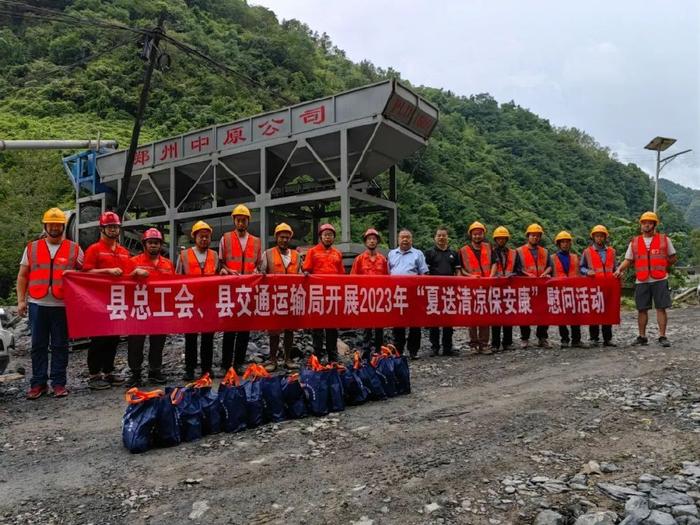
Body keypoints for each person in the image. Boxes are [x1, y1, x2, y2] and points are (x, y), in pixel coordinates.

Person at [16, 208, 83, 399]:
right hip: (37, 304)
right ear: (45, 226)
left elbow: (85, 275)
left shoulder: (74, 249)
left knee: (60, 345)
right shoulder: (32, 248)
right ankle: (38, 384)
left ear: (63, 226)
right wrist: (21, 300)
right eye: (51, 224)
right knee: (38, 345)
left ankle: (59, 384)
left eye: (58, 224)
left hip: (62, 306)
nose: (54, 227)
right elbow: (22, 276)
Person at [82, 211, 148, 390]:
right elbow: (85, 273)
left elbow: (128, 274)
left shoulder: (123, 252)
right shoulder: (94, 249)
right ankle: (94, 374)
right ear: (102, 229)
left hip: (117, 301)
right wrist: (107, 272)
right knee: (99, 339)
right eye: (110, 227)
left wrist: (137, 273)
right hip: (98, 301)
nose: (113, 230)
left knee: (113, 337)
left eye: (115, 227)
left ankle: (108, 372)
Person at [615, 211, 677, 347]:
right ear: (641, 225)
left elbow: (673, 257)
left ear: (654, 225)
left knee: (661, 308)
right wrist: (619, 269)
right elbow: (628, 259)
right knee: (642, 309)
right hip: (642, 280)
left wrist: (662, 266)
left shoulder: (664, 239)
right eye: (644, 223)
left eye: (650, 223)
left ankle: (662, 336)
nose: (646, 225)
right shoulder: (635, 242)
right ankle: (642, 336)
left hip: (660, 279)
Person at [126, 228, 174, 387]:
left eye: (156, 243)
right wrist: (133, 274)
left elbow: (175, 286)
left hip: (159, 309)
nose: (153, 245)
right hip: (139, 309)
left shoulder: (168, 264)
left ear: (160, 245)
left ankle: (155, 371)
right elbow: (123, 282)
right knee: (135, 342)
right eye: (150, 242)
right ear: (144, 244)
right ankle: (135, 373)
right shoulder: (134, 262)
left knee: (158, 342)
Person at [219, 204, 262, 374]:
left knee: (244, 329)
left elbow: (258, 264)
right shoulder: (226, 238)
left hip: (248, 289)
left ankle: (238, 363)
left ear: (248, 222)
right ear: (234, 221)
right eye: (238, 220)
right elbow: (221, 262)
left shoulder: (256, 241)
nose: (241, 223)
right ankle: (225, 364)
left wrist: (256, 273)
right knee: (229, 328)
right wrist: (228, 271)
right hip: (231, 288)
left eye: (244, 220)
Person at [177, 221, 220, 381]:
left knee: (208, 337)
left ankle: (206, 369)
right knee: (191, 337)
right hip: (190, 301)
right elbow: (177, 279)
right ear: (194, 237)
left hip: (208, 302)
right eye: (201, 236)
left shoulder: (214, 256)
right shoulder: (184, 255)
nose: (204, 239)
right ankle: (189, 369)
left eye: (207, 237)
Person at [259, 222, 301, 371]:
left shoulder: (296, 255)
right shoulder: (268, 254)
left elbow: (301, 275)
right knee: (274, 331)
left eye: (287, 237)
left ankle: (288, 358)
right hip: (274, 298)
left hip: (292, 298)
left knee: (290, 329)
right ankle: (272, 360)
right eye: (281, 237)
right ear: (276, 237)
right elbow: (260, 273)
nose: (284, 240)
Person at [302, 223, 345, 363]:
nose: (328, 237)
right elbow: (306, 270)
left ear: (333, 238)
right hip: (317, 295)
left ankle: (333, 355)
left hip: (333, 295)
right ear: (321, 236)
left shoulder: (337, 253)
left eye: (330, 235)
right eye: (325, 235)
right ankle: (317, 355)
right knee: (317, 328)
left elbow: (341, 274)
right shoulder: (312, 252)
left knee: (332, 327)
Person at [388, 229, 429, 359]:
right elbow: (388, 273)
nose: (405, 240)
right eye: (402, 237)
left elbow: (424, 273)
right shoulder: (391, 254)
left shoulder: (418, 254)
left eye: (408, 237)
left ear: (412, 239)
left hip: (414, 293)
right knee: (398, 323)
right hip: (397, 293)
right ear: (398, 239)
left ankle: (413, 351)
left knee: (415, 323)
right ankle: (398, 350)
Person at [351, 228, 390, 359]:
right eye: (369, 239)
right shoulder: (359, 259)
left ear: (377, 242)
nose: (372, 241)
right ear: (365, 242)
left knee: (379, 325)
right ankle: (366, 350)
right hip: (365, 297)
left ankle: (379, 349)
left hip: (379, 297)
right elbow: (353, 278)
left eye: (374, 239)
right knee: (366, 325)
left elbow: (387, 278)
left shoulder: (383, 260)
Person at [424, 226, 460, 356]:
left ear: (447, 237)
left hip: (449, 292)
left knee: (448, 320)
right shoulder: (429, 253)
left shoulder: (453, 253)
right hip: (434, 291)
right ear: (435, 237)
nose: (441, 237)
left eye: (443, 235)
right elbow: (426, 272)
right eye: (439, 235)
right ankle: (434, 347)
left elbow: (457, 271)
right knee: (434, 320)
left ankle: (447, 347)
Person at [581, 224, 617, 347]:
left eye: (602, 236)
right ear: (593, 237)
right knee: (594, 312)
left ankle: (608, 338)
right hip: (594, 287)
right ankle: (594, 338)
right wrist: (587, 272)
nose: (599, 238)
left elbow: (615, 268)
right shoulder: (587, 252)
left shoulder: (612, 251)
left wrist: (618, 274)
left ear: (605, 237)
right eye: (597, 236)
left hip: (608, 286)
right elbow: (581, 267)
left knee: (608, 312)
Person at [517, 223, 552, 349]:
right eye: (533, 235)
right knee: (525, 312)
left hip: (542, 286)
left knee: (543, 312)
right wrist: (527, 275)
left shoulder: (545, 251)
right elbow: (518, 268)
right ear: (528, 236)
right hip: (526, 287)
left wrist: (546, 273)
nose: (535, 238)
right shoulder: (519, 251)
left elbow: (550, 266)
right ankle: (525, 338)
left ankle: (542, 338)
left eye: (537, 236)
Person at [459, 221, 492, 353]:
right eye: (475, 234)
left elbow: (494, 263)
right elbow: (461, 269)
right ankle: (473, 344)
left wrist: (491, 277)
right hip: (471, 287)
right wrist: (470, 276)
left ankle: (484, 344)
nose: (477, 236)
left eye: (480, 234)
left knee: (485, 316)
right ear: (471, 235)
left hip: (486, 287)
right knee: (472, 316)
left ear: (483, 234)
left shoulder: (489, 248)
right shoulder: (463, 250)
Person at [550, 231, 585, 348]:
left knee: (575, 316)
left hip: (573, 290)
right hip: (559, 291)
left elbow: (579, 274)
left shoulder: (575, 257)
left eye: (567, 242)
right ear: (558, 244)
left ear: (570, 244)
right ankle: (564, 339)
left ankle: (576, 340)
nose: (565, 244)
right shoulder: (552, 258)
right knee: (562, 317)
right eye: (562, 242)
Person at [489, 226, 518, 352]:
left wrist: (512, 275)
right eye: (499, 238)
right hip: (495, 286)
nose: (501, 240)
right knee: (495, 316)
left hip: (509, 287)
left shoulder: (513, 253)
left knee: (509, 315)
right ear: (495, 239)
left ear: (506, 239)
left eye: (503, 238)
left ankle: (507, 342)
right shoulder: (490, 252)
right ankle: (495, 343)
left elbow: (518, 269)